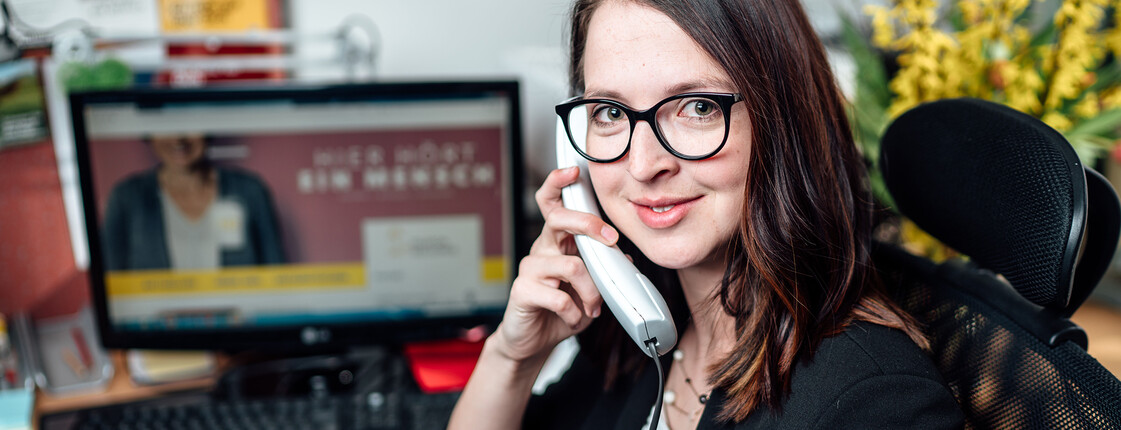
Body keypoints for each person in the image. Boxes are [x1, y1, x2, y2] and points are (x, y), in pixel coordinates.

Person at [450, 0, 964, 428]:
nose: (644, 164)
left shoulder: (873, 402)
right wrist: (511, 359)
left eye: (697, 107)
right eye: (610, 113)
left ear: (781, 122)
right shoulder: (638, 318)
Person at [102, 133, 285, 271]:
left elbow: (276, 271)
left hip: (244, 320)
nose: (178, 138)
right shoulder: (126, 197)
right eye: (165, 126)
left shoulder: (249, 190)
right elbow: (110, 280)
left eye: (187, 123)